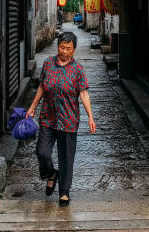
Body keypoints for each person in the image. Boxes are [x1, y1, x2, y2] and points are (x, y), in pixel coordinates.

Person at [26, 30, 96, 206]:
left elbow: (83, 93)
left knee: (66, 158)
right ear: (57, 46)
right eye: (62, 47)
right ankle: (51, 174)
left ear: (74, 49)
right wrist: (33, 107)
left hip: (68, 120)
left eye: (68, 48)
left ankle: (64, 192)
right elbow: (42, 86)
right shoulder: (48, 63)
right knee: (42, 152)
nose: (64, 51)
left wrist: (90, 116)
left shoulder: (78, 69)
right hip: (48, 117)